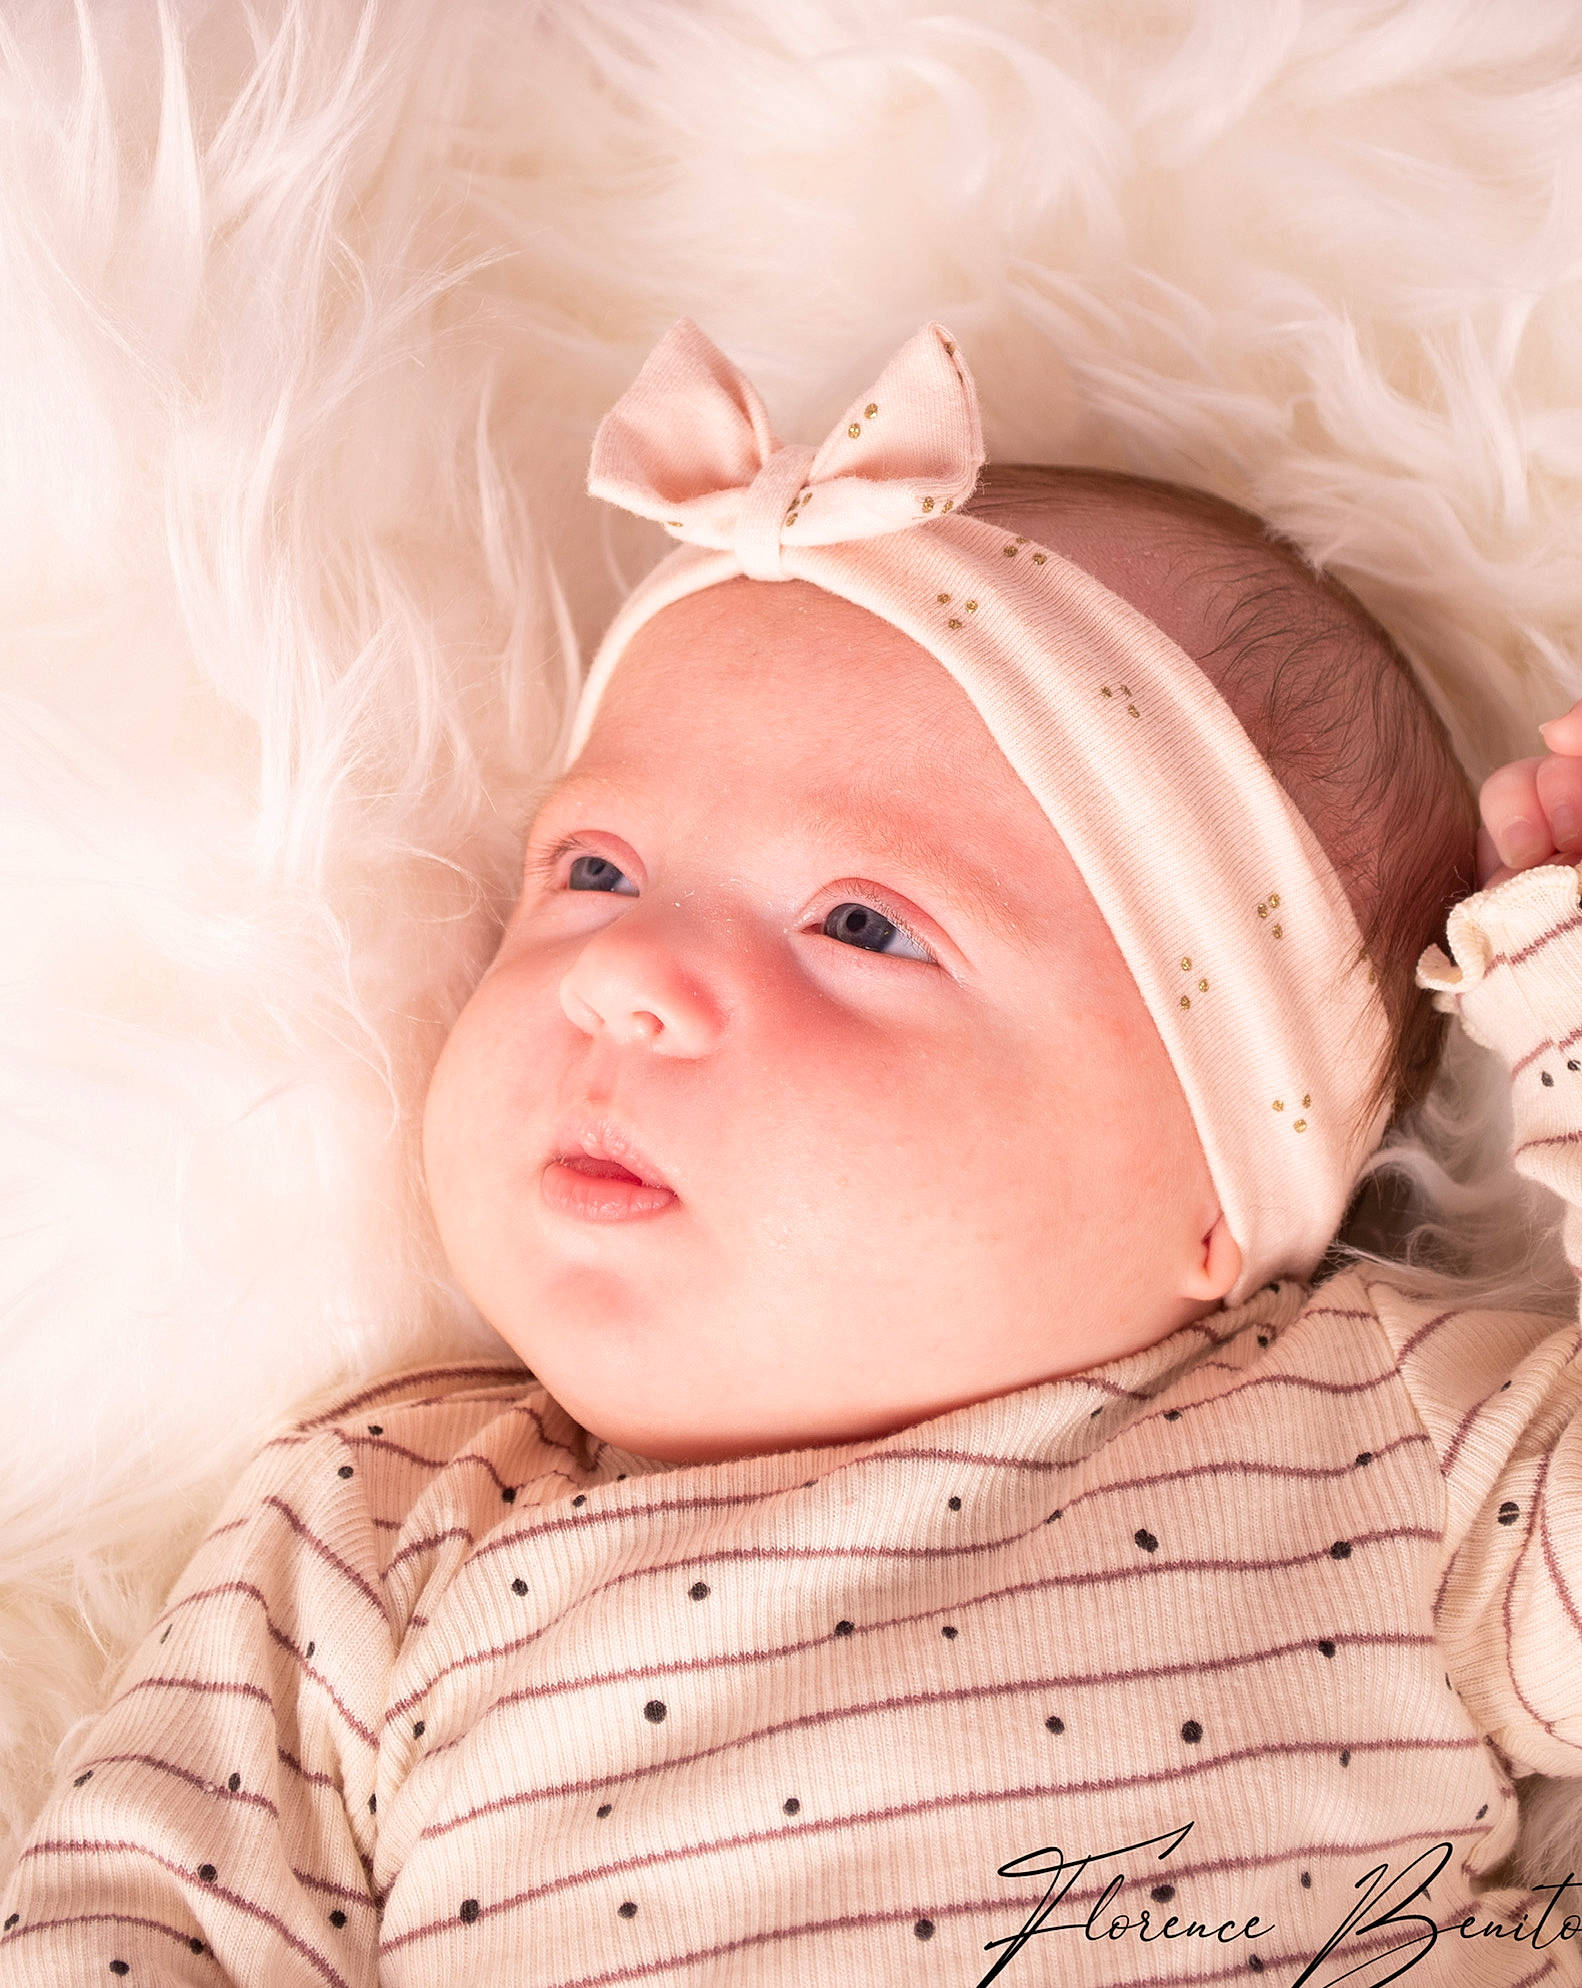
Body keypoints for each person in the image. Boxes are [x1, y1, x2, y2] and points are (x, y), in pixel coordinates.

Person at [2, 320, 1578, 1987]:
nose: (621, 973)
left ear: (1218, 1187)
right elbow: (136, 1923)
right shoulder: (371, 1523)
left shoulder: (1375, 1433)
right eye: (595, 873)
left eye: (859, 924)